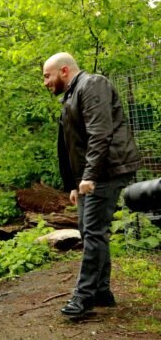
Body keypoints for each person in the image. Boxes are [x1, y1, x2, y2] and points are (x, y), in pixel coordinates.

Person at [42, 52, 141, 316]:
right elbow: (71, 146)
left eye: (47, 76)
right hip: (92, 173)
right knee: (90, 231)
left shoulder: (92, 85)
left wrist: (90, 177)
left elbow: (100, 133)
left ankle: (83, 299)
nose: (45, 82)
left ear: (64, 71)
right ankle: (101, 292)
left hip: (107, 170)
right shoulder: (71, 96)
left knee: (94, 232)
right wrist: (75, 184)